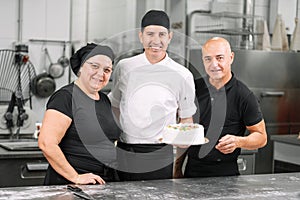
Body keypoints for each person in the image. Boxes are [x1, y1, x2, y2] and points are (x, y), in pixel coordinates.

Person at [108, 10, 196, 181]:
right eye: (150, 34)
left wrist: (183, 143)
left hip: (160, 153)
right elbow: (115, 107)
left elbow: (186, 120)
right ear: (141, 36)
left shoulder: (182, 74)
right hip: (125, 150)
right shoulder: (125, 67)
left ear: (169, 37)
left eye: (162, 34)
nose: (156, 41)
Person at [174, 37, 267, 178]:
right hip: (192, 171)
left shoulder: (244, 95)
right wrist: (177, 169)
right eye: (208, 59)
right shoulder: (193, 89)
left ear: (231, 57)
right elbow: (184, 131)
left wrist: (238, 141)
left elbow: (261, 137)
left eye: (219, 58)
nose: (214, 64)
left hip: (226, 173)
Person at [38, 43, 121, 185]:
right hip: (70, 184)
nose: (101, 74)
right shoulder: (65, 97)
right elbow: (47, 143)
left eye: (107, 70)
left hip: (100, 183)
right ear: (81, 67)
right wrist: (76, 177)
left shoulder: (104, 100)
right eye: (94, 66)